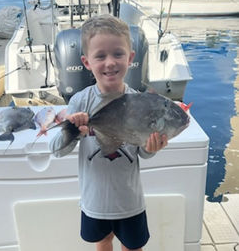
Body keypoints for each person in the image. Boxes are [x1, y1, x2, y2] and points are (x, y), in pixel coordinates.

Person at [49, 14, 168, 251]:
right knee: (103, 242)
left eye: (118, 54)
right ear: (86, 62)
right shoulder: (79, 101)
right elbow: (56, 151)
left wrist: (150, 147)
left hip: (130, 200)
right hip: (94, 201)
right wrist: (74, 130)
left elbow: (142, 153)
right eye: (100, 56)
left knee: (133, 246)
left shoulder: (139, 102)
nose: (110, 62)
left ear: (131, 58)